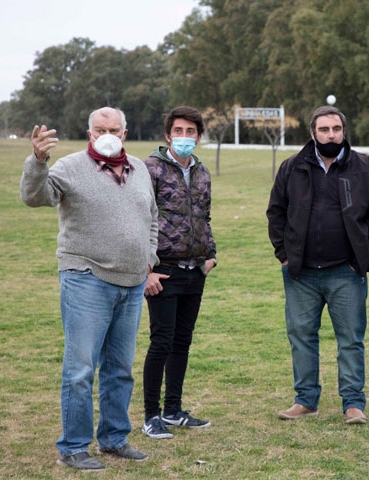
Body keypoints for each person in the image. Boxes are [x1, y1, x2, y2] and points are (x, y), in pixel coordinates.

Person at [20, 107, 159, 470]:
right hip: (86, 278)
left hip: (131, 283)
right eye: (100, 129)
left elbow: (153, 217)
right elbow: (35, 197)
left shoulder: (140, 169)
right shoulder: (68, 167)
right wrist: (38, 160)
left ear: (125, 133)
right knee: (80, 369)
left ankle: (114, 439)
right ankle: (73, 447)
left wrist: (150, 257)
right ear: (90, 133)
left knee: (119, 368)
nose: (107, 134)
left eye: (114, 129)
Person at [266, 105, 369, 425]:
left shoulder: (364, 167)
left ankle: (352, 404)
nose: (330, 135)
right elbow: (276, 213)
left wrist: (364, 260)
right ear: (312, 133)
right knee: (302, 336)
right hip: (301, 274)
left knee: (350, 339)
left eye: (336, 129)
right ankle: (306, 400)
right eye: (324, 130)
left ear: (343, 132)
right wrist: (285, 254)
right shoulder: (292, 167)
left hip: (345, 272)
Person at [141, 106, 217, 439]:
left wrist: (210, 256)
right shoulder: (150, 169)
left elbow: (205, 217)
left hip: (194, 271)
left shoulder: (201, 172)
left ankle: (173, 410)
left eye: (191, 132)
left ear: (198, 136)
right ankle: (150, 415)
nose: (184, 137)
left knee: (182, 343)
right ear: (167, 135)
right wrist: (147, 271)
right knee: (161, 342)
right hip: (163, 272)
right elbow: (139, 221)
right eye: (179, 131)